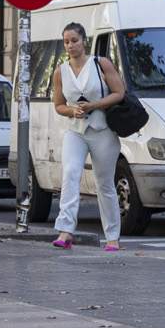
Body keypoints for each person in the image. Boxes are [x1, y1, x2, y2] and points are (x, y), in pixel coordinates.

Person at [48, 20, 127, 252]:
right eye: (66, 42)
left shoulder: (100, 63)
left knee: (104, 184)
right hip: (76, 131)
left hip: (103, 130)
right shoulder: (60, 71)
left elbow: (119, 92)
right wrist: (72, 110)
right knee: (70, 174)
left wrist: (94, 105)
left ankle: (112, 237)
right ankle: (65, 230)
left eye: (74, 40)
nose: (70, 45)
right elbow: (59, 105)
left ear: (84, 41)